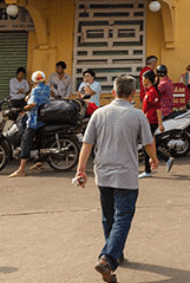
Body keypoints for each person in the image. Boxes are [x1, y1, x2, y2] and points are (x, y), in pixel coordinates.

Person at [75, 74, 160, 283]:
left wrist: (80, 171)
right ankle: (108, 258)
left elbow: (87, 144)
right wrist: (154, 160)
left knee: (109, 217)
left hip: (103, 175)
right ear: (133, 95)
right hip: (126, 176)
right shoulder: (138, 115)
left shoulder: (99, 114)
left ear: (113, 93)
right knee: (123, 216)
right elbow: (149, 143)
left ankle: (115, 255)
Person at [8, 71, 51, 177]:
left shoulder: (35, 90)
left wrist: (25, 108)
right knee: (39, 140)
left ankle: (21, 169)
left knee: (25, 141)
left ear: (33, 81)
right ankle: (39, 162)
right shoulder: (47, 88)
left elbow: (33, 103)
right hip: (43, 119)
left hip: (33, 120)